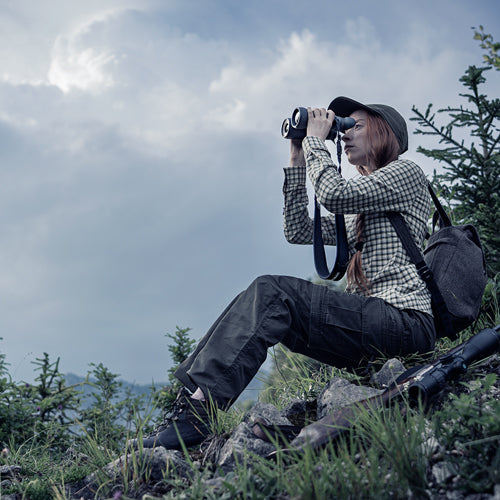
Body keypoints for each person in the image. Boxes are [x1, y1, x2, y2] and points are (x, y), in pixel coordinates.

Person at [138, 96, 436, 450]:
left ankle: (201, 414)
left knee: (272, 291)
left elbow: (334, 194)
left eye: (355, 126)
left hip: (405, 322)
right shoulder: (367, 209)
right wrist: (296, 157)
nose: (344, 134)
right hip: (374, 328)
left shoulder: (407, 172)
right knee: (262, 303)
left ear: (386, 134)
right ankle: (193, 405)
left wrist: (314, 138)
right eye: (343, 127)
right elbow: (298, 229)